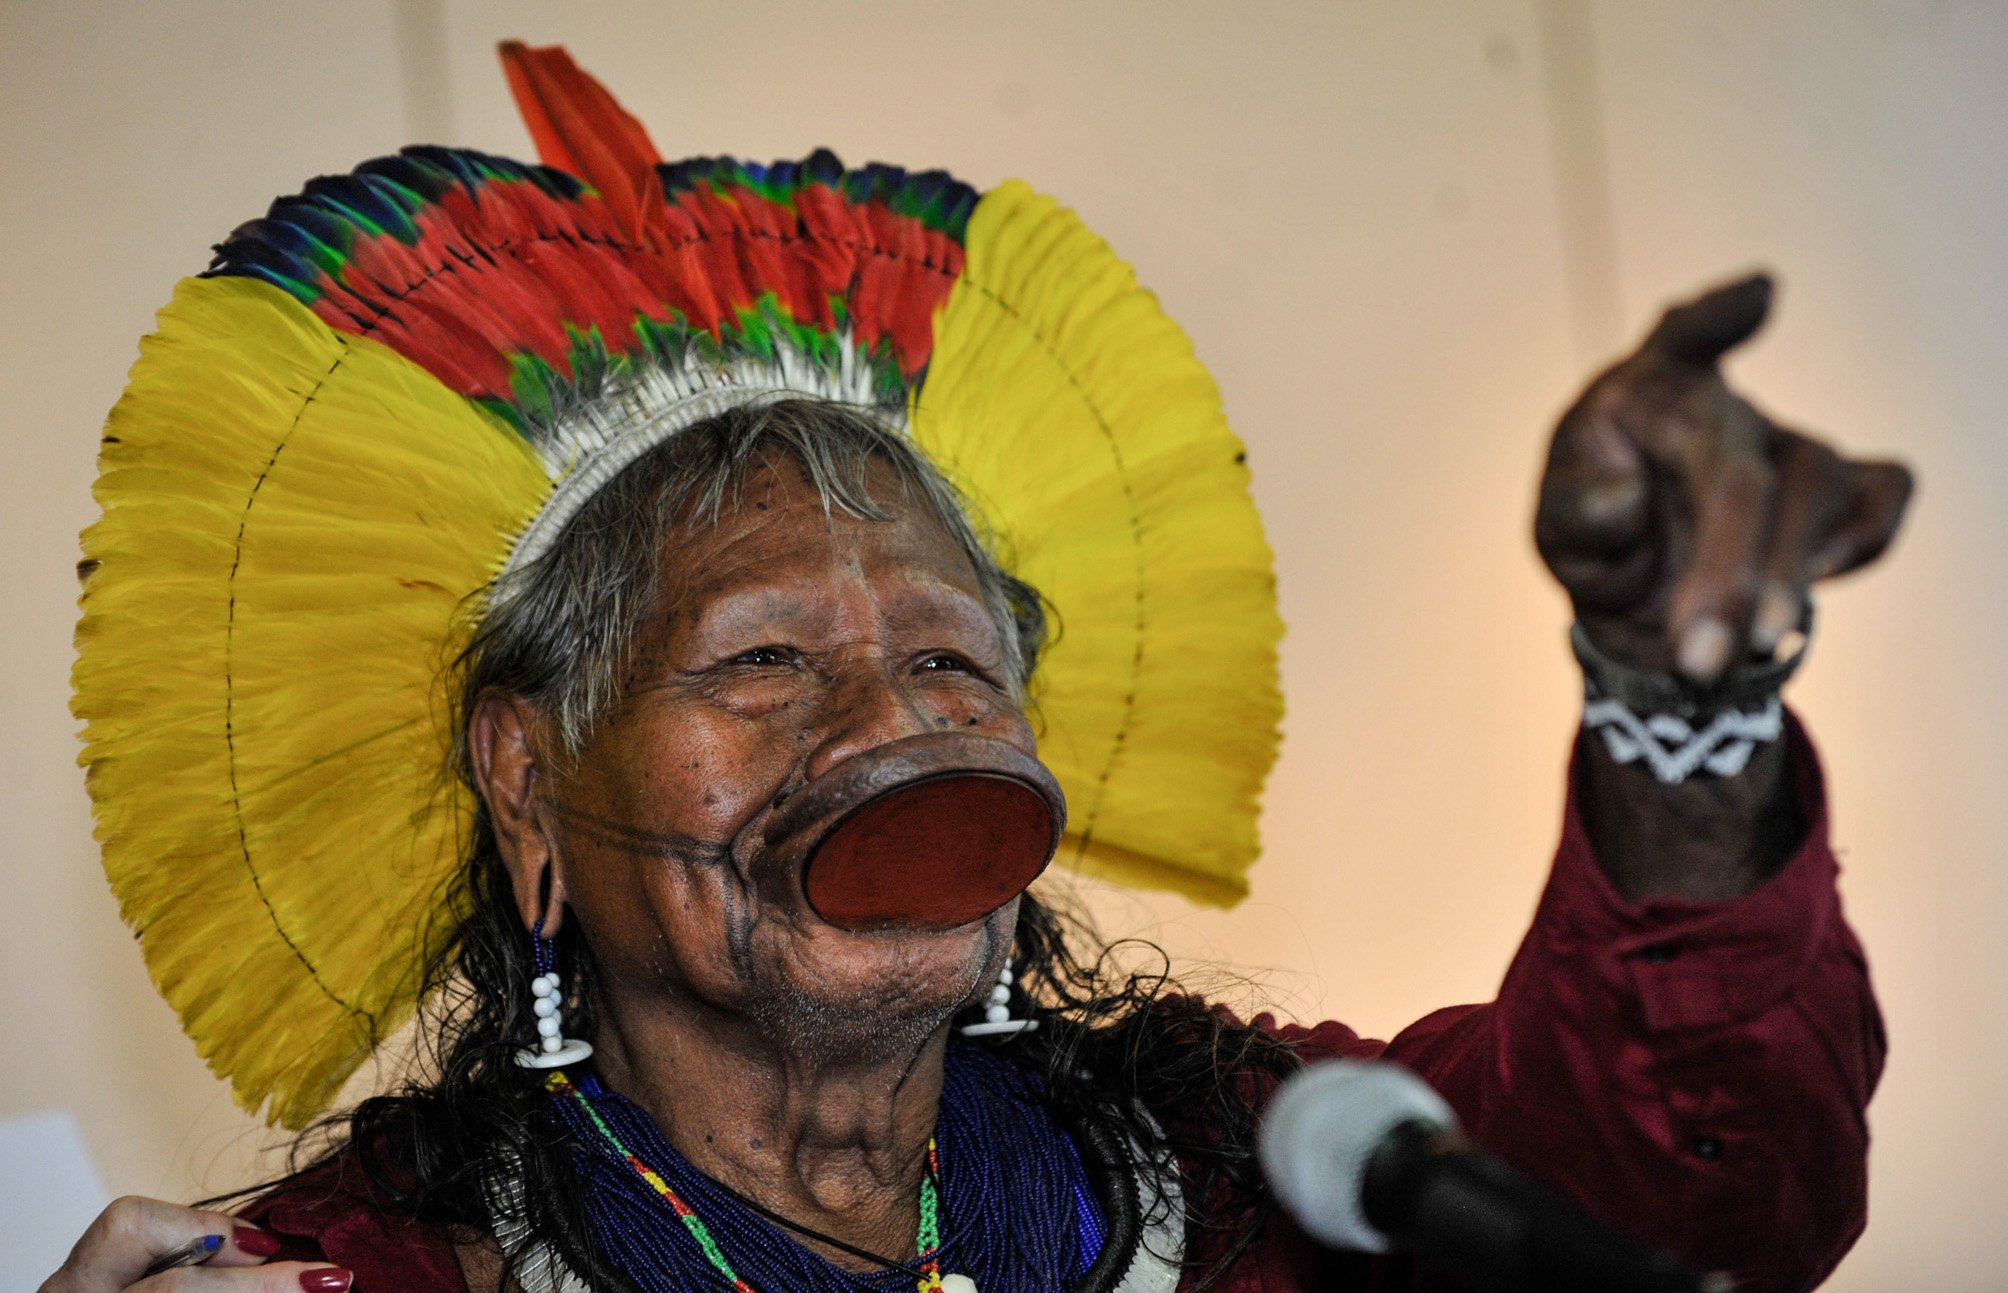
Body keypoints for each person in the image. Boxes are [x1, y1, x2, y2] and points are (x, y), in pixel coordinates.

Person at [42, 43, 1909, 1293]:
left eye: (954, 660)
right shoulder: (353, 1274)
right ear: (526, 780)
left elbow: (1694, 1185)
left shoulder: (1272, 1166)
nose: (893, 727)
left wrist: (1685, 703)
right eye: (764, 657)